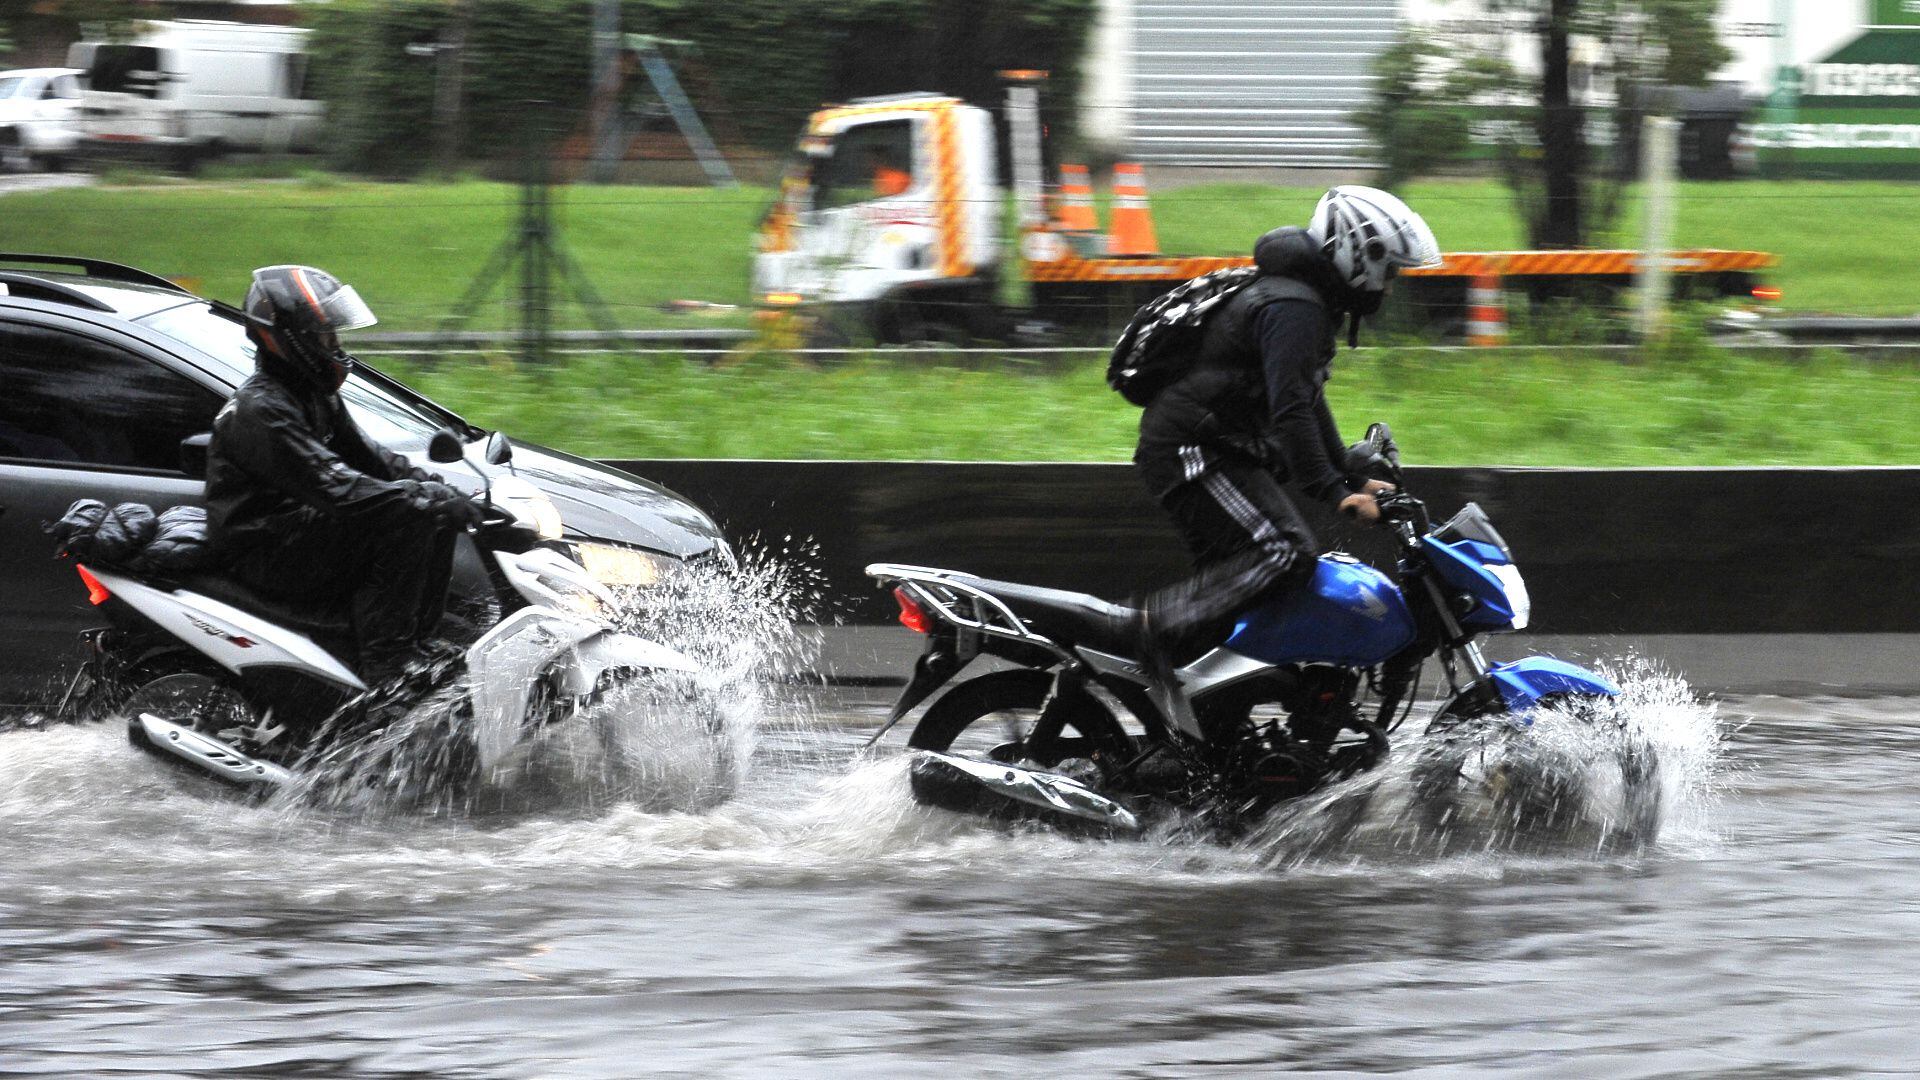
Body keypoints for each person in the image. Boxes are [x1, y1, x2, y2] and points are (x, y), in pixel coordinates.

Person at [1128, 186, 1442, 676]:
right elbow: (1290, 410)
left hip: (1215, 447)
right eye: (1392, 271)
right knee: (1284, 552)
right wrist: (1333, 491)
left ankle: (1201, 729)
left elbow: (1307, 396)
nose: (1392, 284)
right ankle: (1150, 632)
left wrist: (1349, 473)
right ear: (1361, 253)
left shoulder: (1305, 300)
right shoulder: (1295, 307)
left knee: (1242, 592)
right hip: (1193, 449)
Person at [204, 265, 484, 685]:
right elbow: (337, 487)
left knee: (428, 507)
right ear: (287, 338)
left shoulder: (308, 394)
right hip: (263, 547)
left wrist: (453, 494)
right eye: (324, 337)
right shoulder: (262, 410)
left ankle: (417, 640)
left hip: (292, 533)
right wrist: (424, 499)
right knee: (410, 513)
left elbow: (375, 460)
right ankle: (388, 664)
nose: (334, 347)